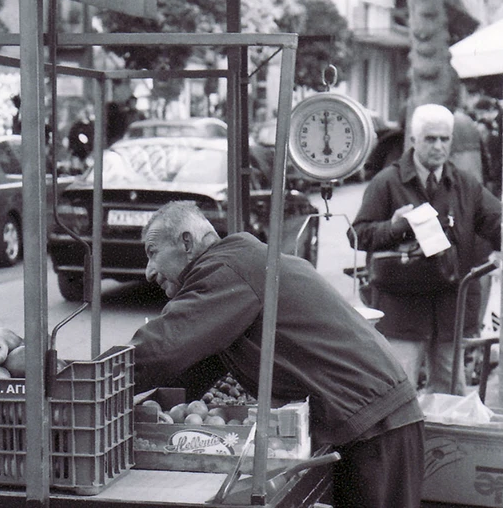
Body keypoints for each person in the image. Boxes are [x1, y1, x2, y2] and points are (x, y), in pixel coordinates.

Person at [130, 201, 424, 508]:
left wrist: (96, 380)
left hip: (376, 423)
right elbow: (197, 365)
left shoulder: (226, 270)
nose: (149, 271)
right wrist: (157, 408)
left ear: (187, 242)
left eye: (153, 252)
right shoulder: (238, 264)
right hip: (369, 418)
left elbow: (162, 347)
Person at [350, 104, 501, 394]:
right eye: (431, 139)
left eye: (445, 139)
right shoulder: (387, 183)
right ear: (414, 141)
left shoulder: (464, 185)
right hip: (401, 311)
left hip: (448, 311)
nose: (439, 146)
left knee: (451, 397)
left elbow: (500, 224)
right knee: (398, 394)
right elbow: (358, 234)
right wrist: (394, 227)